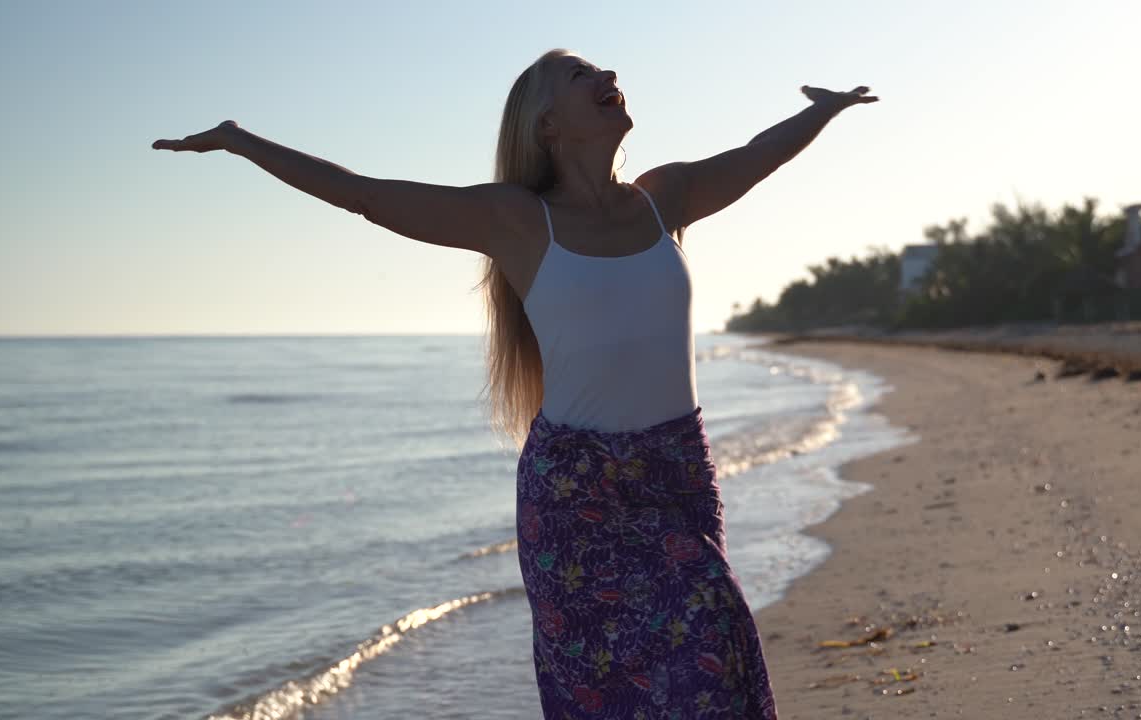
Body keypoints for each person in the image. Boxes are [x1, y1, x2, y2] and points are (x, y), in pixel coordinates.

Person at [153, 47, 876, 719]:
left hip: (675, 473)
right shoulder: (517, 221)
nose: (604, 76)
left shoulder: (666, 197)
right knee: (611, 688)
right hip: (574, 495)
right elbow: (364, 195)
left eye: (601, 69)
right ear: (548, 125)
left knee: (713, 654)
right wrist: (243, 142)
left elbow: (758, 156)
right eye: (579, 75)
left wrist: (822, 109)